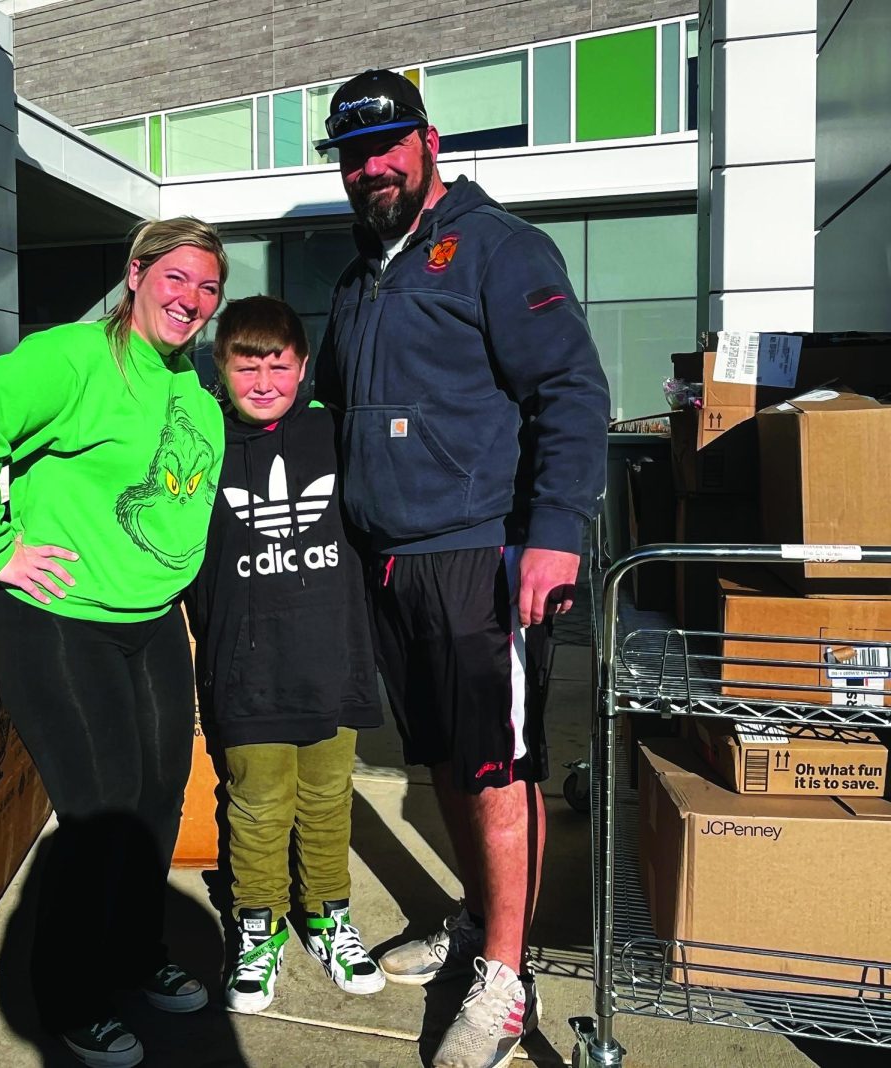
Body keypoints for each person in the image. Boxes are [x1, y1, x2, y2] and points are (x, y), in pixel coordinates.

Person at [313, 70, 610, 1068]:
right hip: (390, 568)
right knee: (441, 755)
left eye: (387, 146)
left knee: (498, 767)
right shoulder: (359, 278)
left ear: (429, 142)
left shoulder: (499, 248)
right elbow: (322, 413)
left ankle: (504, 982)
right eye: (354, 155)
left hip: (484, 559)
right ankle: (479, 918)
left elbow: (570, 389)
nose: (372, 168)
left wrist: (558, 529)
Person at [0, 217, 229, 1068]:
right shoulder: (70, 359)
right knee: (100, 812)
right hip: (60, 620)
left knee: (158, 801)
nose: (191, 301)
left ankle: (134, 958)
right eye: (176, 279)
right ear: (136, 274)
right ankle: (68, 997)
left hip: (150, 623)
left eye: (207, 288)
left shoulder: (190, 386)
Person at [185, 295, 385, 1014]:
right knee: (258, 803)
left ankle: (329, 914)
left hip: (332, 653)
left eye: (279, 364)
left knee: (329, 798)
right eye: (247, 365)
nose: (264, 379)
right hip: (245, 666)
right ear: (222, 367)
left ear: (303, 366)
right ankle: (258, 926)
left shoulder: (336, 433)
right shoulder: (200, 439)